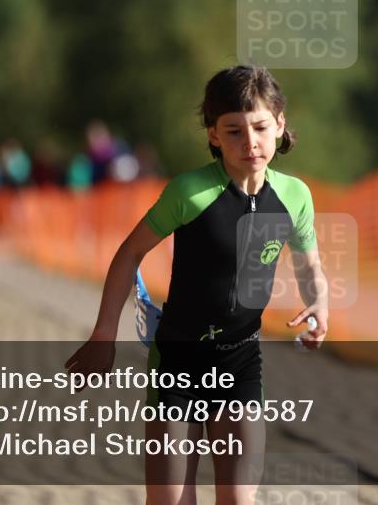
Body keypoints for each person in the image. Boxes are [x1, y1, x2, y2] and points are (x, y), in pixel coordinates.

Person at [65, 65, 329, 505]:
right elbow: (129, 254)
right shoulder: (189, 193)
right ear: (212, 136)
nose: (250, 142)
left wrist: (319, 303)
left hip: (241, 361)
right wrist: (103, 336)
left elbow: (309, 263)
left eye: (261, 127)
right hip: (177, 363)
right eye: (233, 131)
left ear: (280, 125)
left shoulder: (295, 196)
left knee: (238, 498)